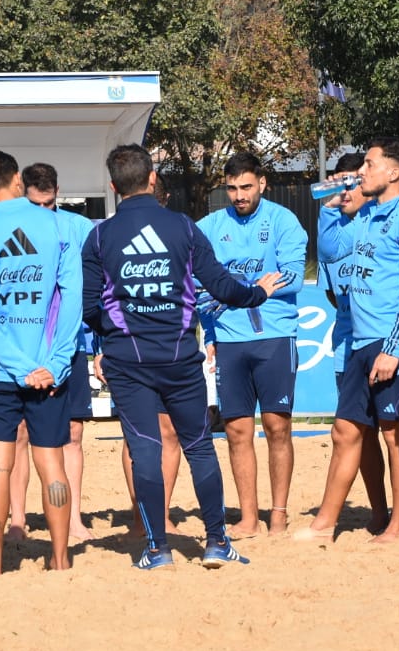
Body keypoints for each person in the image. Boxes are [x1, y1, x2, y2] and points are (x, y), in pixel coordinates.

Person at [82, 143, 283, 569]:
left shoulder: (99, 236)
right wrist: (259, 292)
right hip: (179, 359)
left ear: (115, 187)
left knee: (145, 450)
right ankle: (215, 542)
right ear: (153, 179)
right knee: (199, 448)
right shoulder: (185, 228)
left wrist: (114, 337)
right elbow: (223, 288)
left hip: (128, 361)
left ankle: (156, 550)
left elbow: (88, 309)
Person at [298, 138, 399, 544]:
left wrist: (394, 349)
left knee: (394, 432)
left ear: (393, 172)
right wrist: (330, 204)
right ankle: (325, 524)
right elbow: (330, 248)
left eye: (370, 165)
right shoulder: (367, 213)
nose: (363, 171)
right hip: (358, 339)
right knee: (345, 430)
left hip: (390, 342)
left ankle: (398, 524)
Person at [0, 151, 82, 577]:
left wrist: (15, 364)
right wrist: (55, 363)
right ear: (15, 178)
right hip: (47, 370)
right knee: (52, 465)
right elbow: (72, 303)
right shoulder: (59, 225)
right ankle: (60, 560)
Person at [197, 151, 307, 536]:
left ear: (262, 183)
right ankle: (248, 516)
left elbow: (292, 277)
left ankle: (277, 512)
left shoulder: (283, 221)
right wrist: (210, 334)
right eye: (232, 188)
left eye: (246, 186)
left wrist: (234, 290)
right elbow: (200, 290)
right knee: (236, 431)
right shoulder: (210, 226)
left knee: (278, 426)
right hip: (229, 339)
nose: (239, 195)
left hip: (275, 336)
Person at [18, 161, 98, 541]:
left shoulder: (80, 229)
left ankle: (74, 518)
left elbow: (100, 289)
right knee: (17, 433)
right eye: (37, 206)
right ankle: (17, 520)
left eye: (51, 205)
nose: (45, 213)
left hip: (69, 345)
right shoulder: (11, 232)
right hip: (24, 345)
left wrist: (99, 344)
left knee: (73, 433)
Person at [319, 151, 389, 533]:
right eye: (338, 183)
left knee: (392, 431)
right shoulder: (332, 229)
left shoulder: (377, 223)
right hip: (346, 343)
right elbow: (332, 293)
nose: (345, 190)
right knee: (356, 432)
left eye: (350, 182)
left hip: (379, 339)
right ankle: (379, 511)